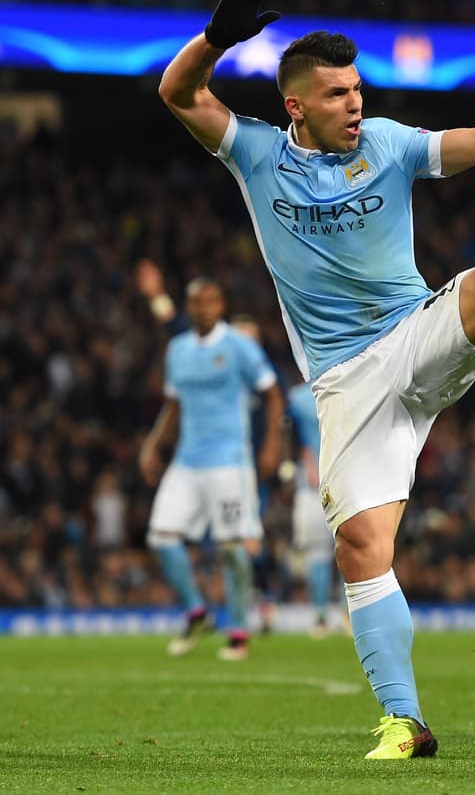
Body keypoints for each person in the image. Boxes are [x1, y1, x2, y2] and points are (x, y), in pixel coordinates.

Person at [157, 0, 475, 759]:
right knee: (362, 547)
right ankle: (405, 721)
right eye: (335, 95)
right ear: (295, 105)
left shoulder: (389, 145)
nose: (355, 103)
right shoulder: (254, 155)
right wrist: (217, 39)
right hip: (345, 382)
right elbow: (180, 95)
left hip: (416, 332)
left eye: (357, 89)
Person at [139, 277, 284, 661]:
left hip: (229, 462)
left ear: (220, 306)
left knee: (233, 549)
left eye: (211, 301)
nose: (204, 309)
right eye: (197, 303)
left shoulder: (239, 347)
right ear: (189, 307)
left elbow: (272, 393)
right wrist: (153, 445)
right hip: (187, 460)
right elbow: (174, 404)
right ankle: (197, 611)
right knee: (161, 537)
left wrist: (271, 446)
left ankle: (238, 632)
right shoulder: (178, 350)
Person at [283, 380, 343, 637]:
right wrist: (299, 460)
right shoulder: (296, 397)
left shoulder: (345, 382)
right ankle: (320, 616)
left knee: (352, 548)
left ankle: (349, 614)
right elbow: (286, 432)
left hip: (347, 479)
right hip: (311, 485)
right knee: (316, 552)